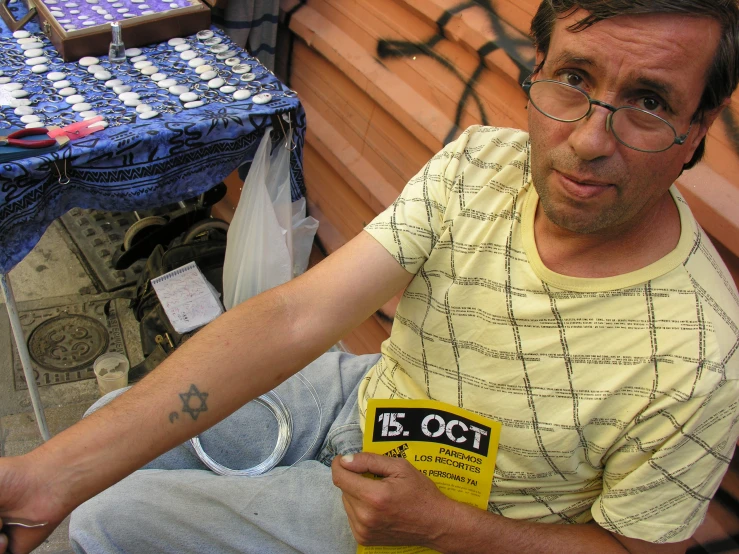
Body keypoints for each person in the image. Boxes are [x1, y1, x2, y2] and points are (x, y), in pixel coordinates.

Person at [2, 0, 739, 552]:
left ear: (696, 130)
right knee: (96, 439)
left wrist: (447, 528)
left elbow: (641, 551)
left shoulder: (698, 355)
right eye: (572, 79)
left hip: (454, 517)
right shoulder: (481, 165)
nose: (586, 140)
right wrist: (46, 474)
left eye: (647, 102)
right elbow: (298, 315)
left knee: (108, 523)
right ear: (535, 74)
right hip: (362, 399)